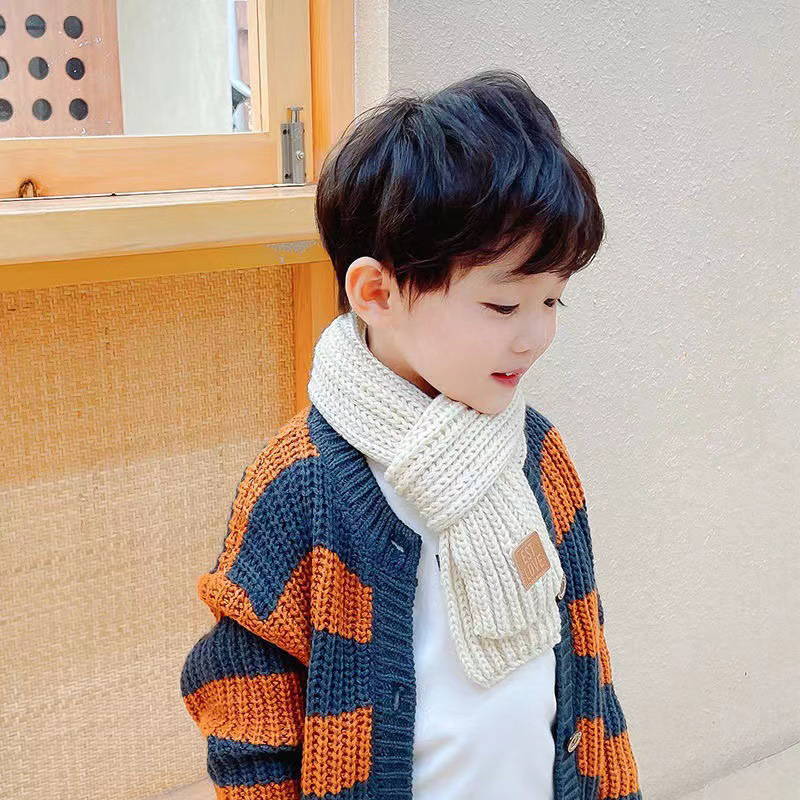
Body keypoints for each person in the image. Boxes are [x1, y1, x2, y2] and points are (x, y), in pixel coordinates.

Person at [180, 69, 642, 800]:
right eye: (503, 306)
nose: (536, 336)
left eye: (553, 300)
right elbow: (245, 717)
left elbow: (587, 671)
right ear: (377, 293)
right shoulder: (303, 487)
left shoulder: (537, 457)